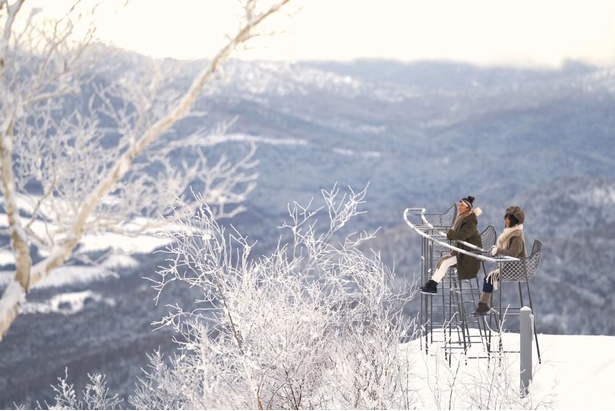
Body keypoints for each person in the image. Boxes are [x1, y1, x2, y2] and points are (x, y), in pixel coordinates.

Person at [419, 195, 483, 294]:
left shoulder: (470, 220)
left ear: (467, 208)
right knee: (444, 261)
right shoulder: (463, 217)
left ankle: (432, 285)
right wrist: (451, 234)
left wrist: (450, 234)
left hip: (468, 253)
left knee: (445, 262)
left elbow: (462, 235)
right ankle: (431, 284)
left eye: (461, 205)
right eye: (459, 205)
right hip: (461, 250)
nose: (459, 207)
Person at [473, 206, 526, 315]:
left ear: (514, 220)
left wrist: (497, 250)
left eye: (509, 218)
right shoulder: (509, 233)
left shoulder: (517, 237)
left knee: (489, 277)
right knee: (488, 277)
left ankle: (482, 306)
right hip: (509, 267)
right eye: (505, 218)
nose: (506, 220)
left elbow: (512, 254)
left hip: (516, 268)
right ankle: (482, 306)